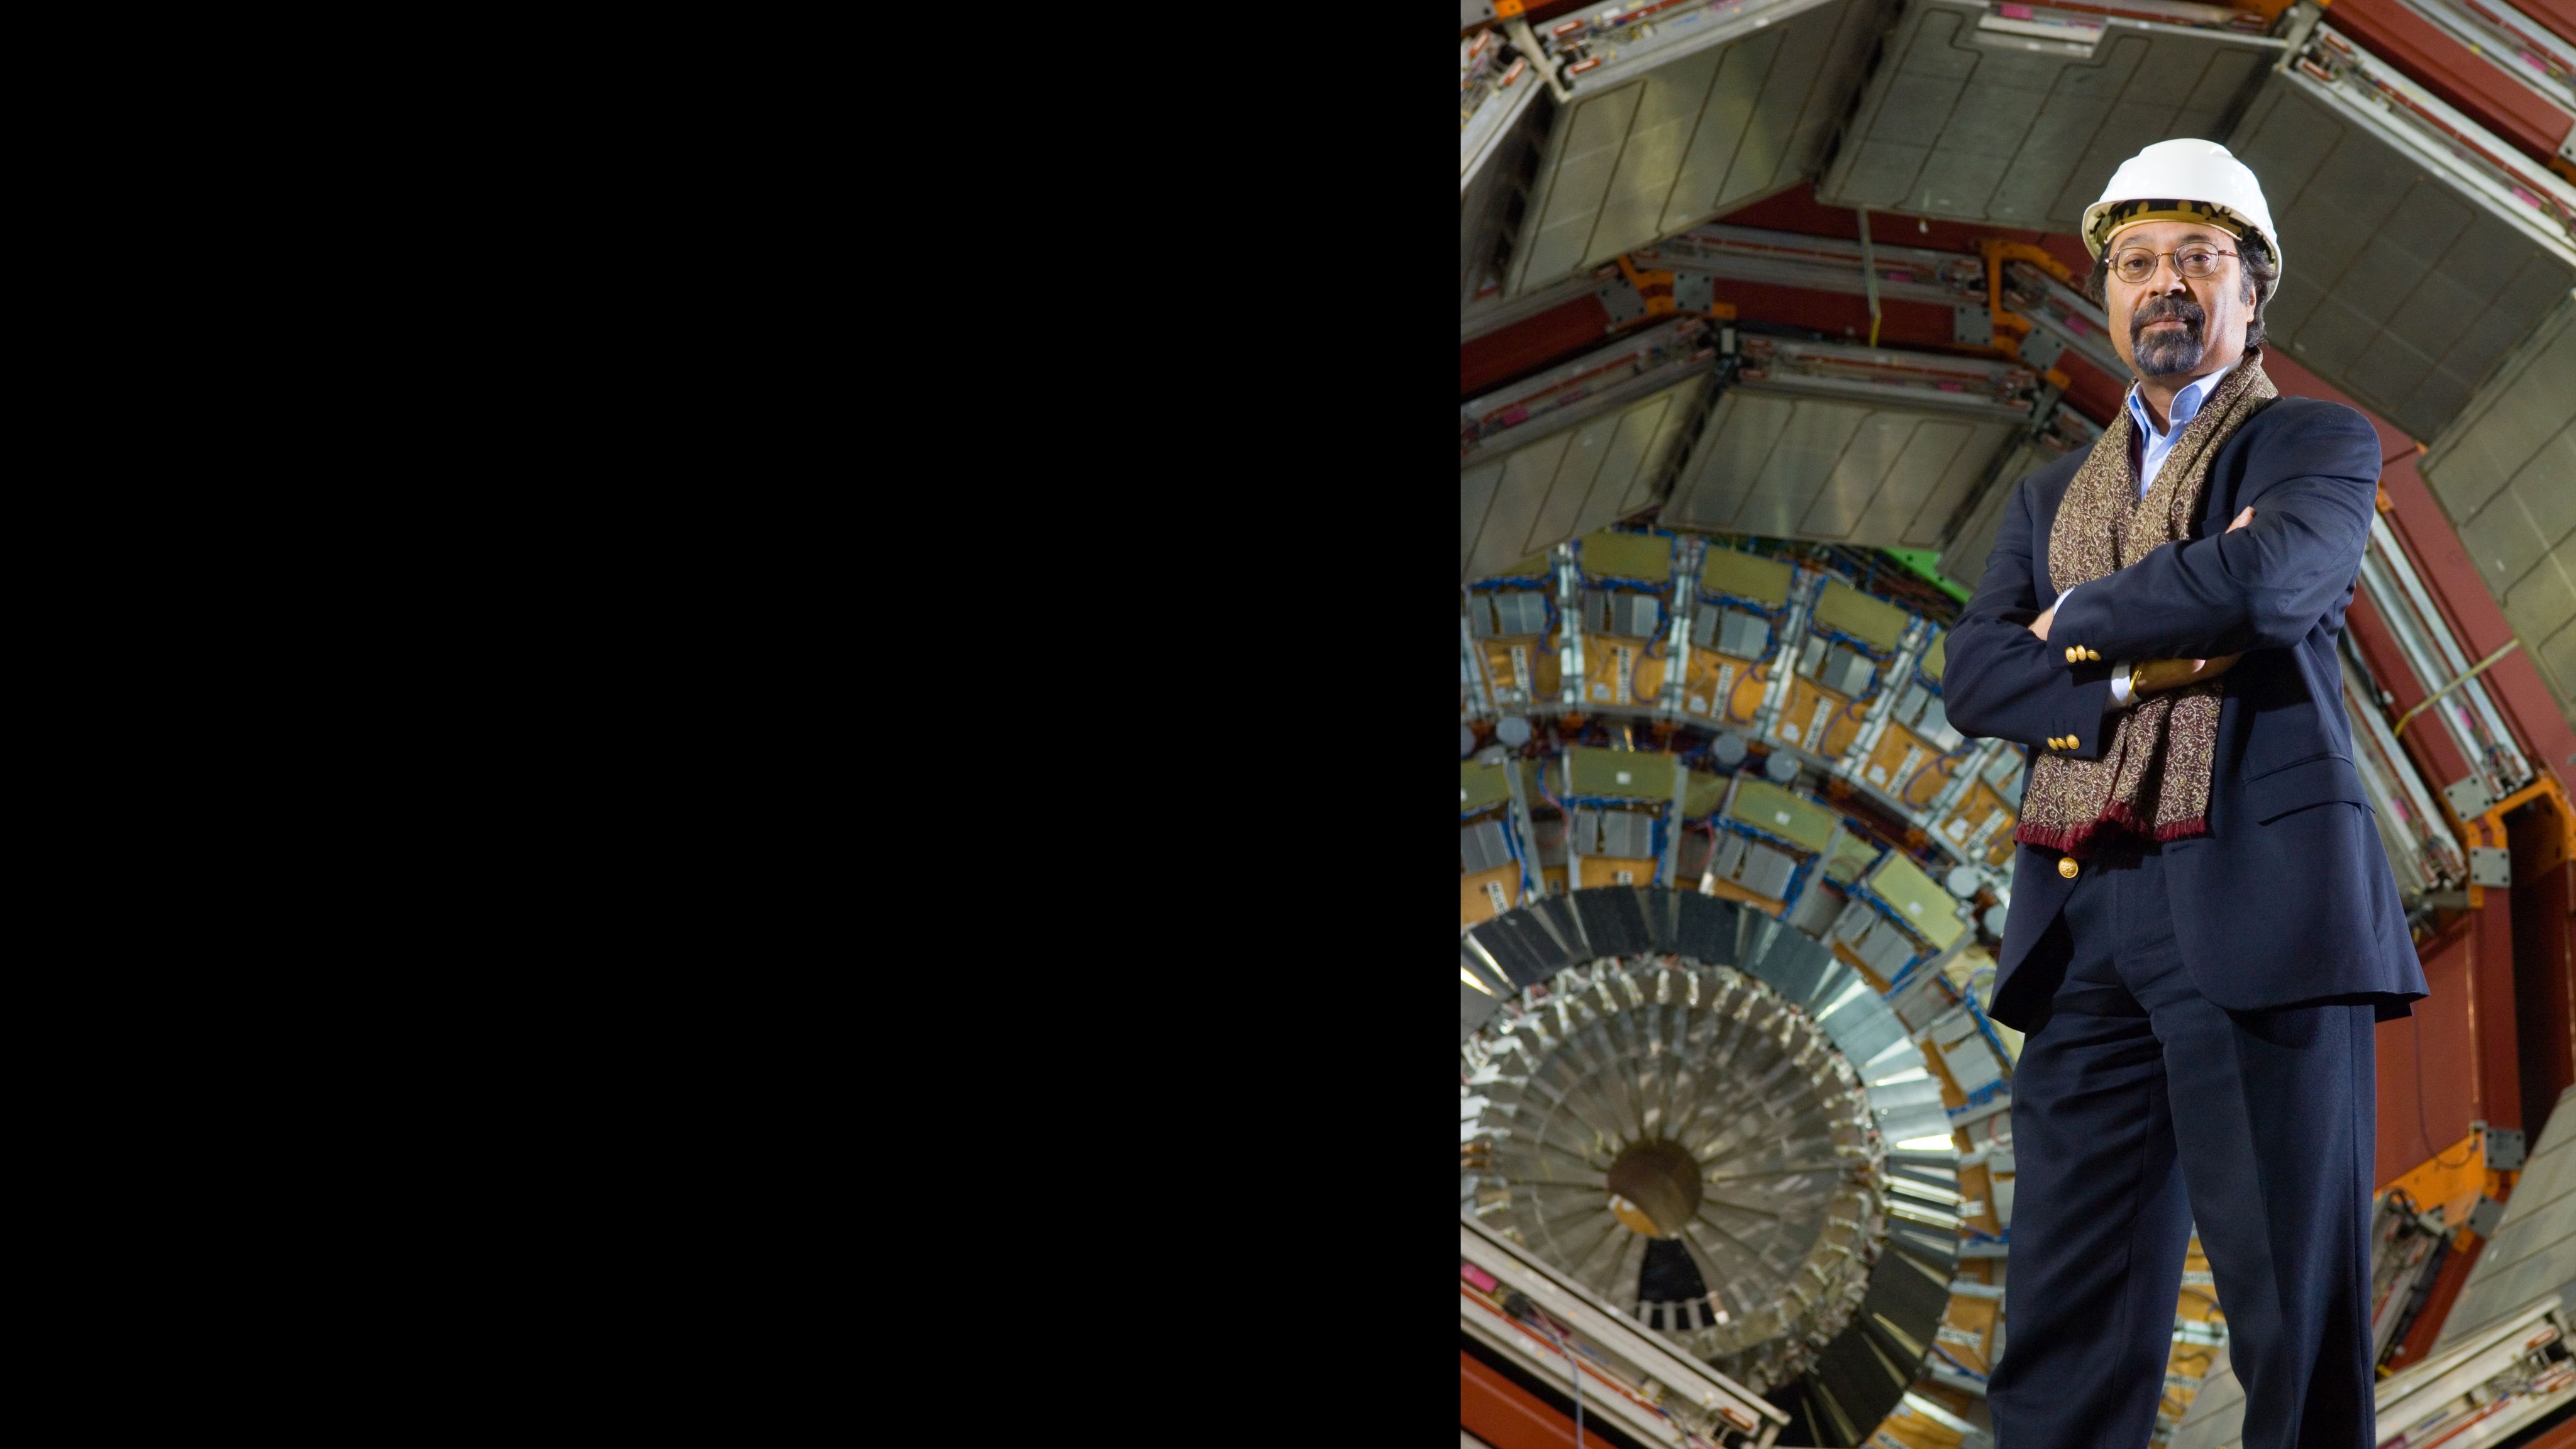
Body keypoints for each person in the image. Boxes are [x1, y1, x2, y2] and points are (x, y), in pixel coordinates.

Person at [1942, 138, 2429, 1448]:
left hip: (2255, 899)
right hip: (2084, 915)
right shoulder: (2051, 493)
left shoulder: (2308, 442)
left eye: (2196, 261)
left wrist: (2081, 620)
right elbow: (1977, 678)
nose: (2165, 286)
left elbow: (2272, 588)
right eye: (2136, 262)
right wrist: (2121, 673)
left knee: (2289, 1313)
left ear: (2250, 292)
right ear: (2106, 294)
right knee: (2063, 1318)